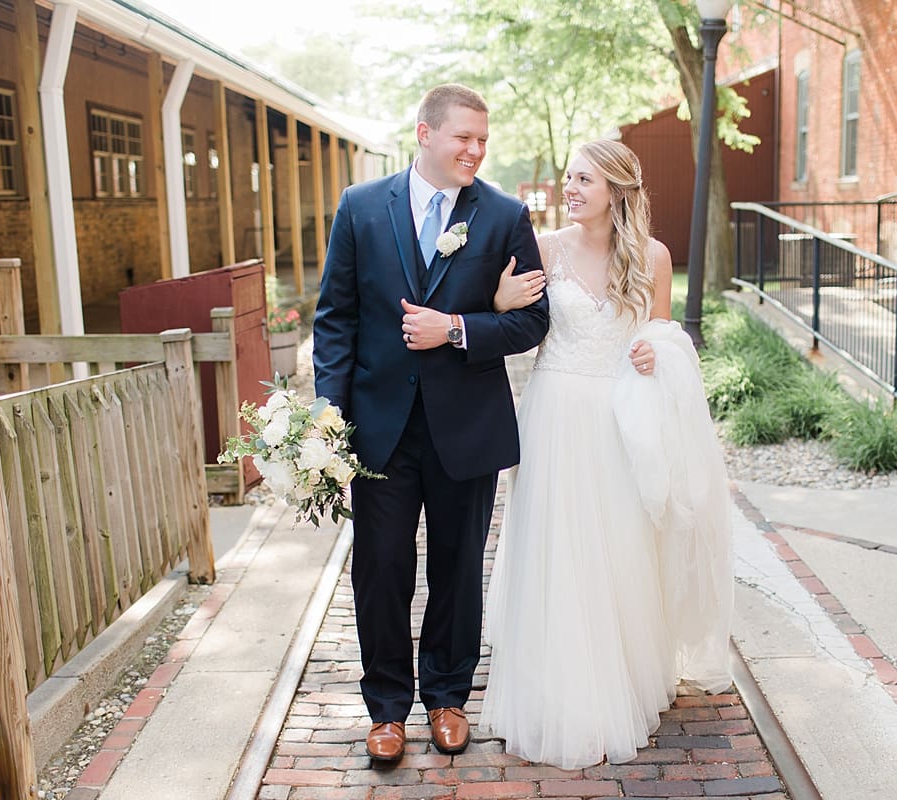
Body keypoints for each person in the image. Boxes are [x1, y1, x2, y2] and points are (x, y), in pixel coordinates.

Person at [312, 84, 550, 763]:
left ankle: (447, 697)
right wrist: (330, 414)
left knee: (456, 567)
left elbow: (533, 320)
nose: (476, 149)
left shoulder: (504, 216)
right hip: (379, 427)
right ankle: (385, 709)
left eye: (483, 138)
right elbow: (335, 319)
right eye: (463, 138)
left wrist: (456, 328)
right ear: (425, 133)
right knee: (381, 570)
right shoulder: (361, 208)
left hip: (465, 428)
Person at [480, 139, 734, 769]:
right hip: (555, 411)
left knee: (620, 543)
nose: (571, 187)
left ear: (617, 190)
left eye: (584, 179)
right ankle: (554, 683)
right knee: (556, 541)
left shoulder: (651, 256)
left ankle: (622, 675)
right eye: (569, 176)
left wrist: (654, 351)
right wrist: (497, 304)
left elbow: (664, 336)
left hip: (619, 414)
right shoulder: (544, 248)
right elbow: (513, 326)